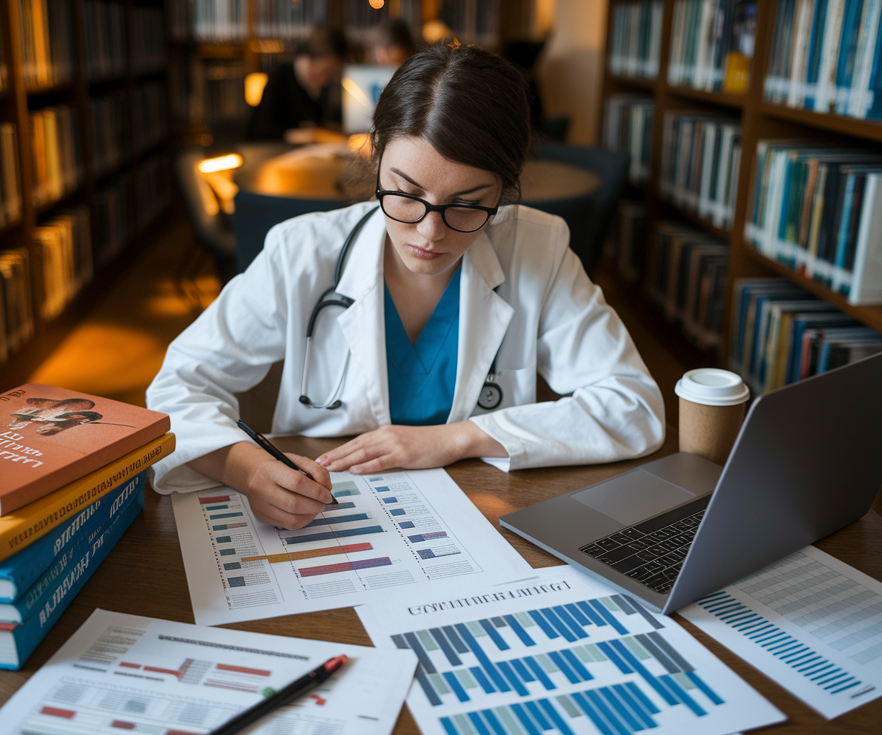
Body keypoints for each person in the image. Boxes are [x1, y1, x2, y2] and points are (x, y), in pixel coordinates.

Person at [148, 44, 665, 528]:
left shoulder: (537, 248)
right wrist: (247, 469)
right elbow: (177, 388)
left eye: (466, 204)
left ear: (504, 191)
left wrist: (453, 439)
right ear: (374, 156)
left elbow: (634, 406)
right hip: (335, 520)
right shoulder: (301, 251)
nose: (429, 233)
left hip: (478, 519)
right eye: (404, 193)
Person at [245, 28, 348, 142]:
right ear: (309, 59)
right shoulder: (279, 76)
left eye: (333, 73)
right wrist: (309, 135)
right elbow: (259, 132)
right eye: (326, 70)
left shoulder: (322, 84)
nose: (327, 79)